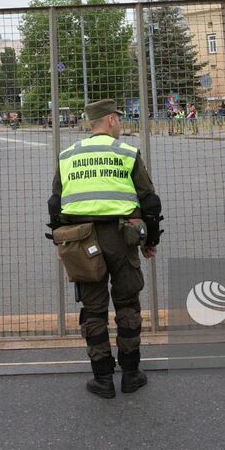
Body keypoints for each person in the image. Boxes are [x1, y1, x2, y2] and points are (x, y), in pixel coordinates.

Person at [49, 99, 163, 398]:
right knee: (127, 304)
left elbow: (55, 204)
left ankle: (102, 378)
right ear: (110, 119)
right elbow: (149, 200)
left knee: (93, 308)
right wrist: (150, 241)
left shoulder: (68, 155)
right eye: (119, 120)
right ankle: (130, 373)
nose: (121, 125)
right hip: (121, 237)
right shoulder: (125, 151)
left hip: (82, 239)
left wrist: (62, 241)